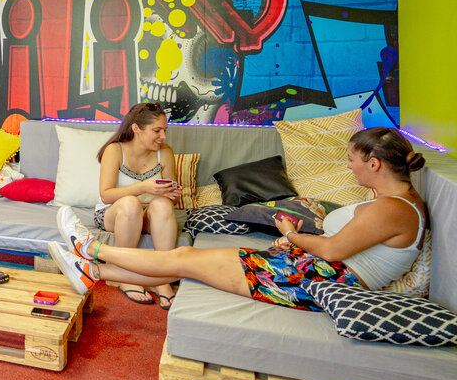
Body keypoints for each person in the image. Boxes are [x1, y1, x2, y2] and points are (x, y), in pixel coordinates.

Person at [50, 127, 428, 313]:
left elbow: (331, 250)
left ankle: (92, 250)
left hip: (312, 279)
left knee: (182, 259)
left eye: (353, 160)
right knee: (183, 262)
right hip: (305, 268)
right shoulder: (393, 200)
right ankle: (92, 272)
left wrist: (290, 234)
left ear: (375, 164)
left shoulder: (393, 208)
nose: (349, 167)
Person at [89, 102, 181, 308]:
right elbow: (106, 195)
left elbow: (171, 198)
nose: (163, 136)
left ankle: (163, 278)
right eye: (157, 131)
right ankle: (126, 276)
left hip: (148, 214)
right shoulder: (115, 150)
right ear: (136, 129)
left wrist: (171, 193)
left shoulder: (165, 152)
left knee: (163, 205)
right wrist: (144, 187)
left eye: (165, 130)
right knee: (131, 204)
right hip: (114, 212)